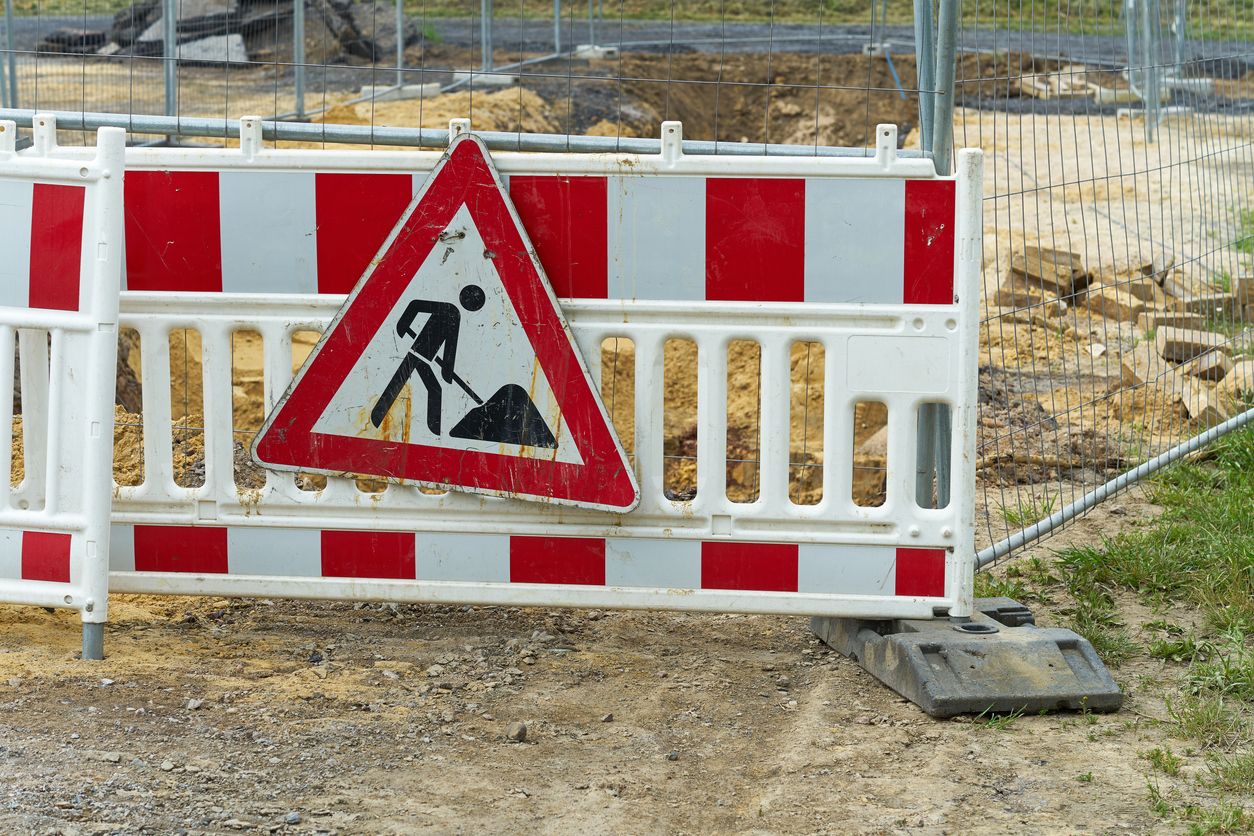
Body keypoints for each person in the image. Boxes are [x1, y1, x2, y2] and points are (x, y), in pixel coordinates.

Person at [371, 284, 486, 433]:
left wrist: (447, 371)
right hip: (416, 354)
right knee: (405, 384)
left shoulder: (453, 313)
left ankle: (434, 430)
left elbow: (450, 347)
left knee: (418, 386)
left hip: (423, 358)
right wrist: (403, 325)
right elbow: (416, 305)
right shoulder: (450, 310)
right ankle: (378, 416)